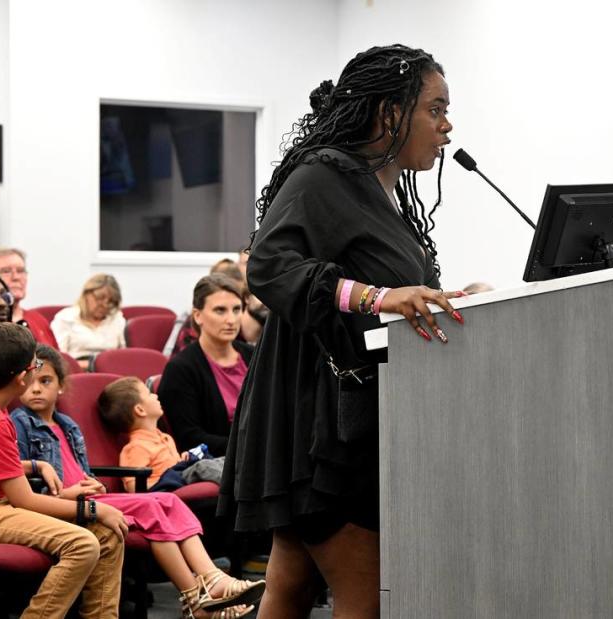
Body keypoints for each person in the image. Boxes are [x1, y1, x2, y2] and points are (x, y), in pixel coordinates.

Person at [219, 45, 465, 618]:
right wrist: (379, 297)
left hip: (345, 413)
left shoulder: (380, 187)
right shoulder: (323, 174)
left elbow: (384, 291)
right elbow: (269, 267)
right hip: (320, 419)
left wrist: (447, 301)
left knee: (292, 589)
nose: (447, 125)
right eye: (436, 108)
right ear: (389, 113)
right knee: (364, 598)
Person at [12, 346, 263, 619]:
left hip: (88, 498)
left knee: (169, 499)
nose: (35, 389)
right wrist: (73, 492)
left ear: (61, 386)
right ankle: (196, 596)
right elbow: (25, 482)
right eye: (29, 381)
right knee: (155, 508)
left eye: (45, 381)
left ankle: (210, 578)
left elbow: (82, 472)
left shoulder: (68, 425)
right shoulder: (20, 422)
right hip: (61, 505)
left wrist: (91, 483)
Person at [0, 322, 127, 617]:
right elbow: (25, 500)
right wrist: (95, 509)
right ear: (22, 378)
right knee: (82, 543)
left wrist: (34, 464)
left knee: (106, 535)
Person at [159, 274, 254, 456]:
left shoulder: (253, 356)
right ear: (198, 315)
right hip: (221, 462)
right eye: (220, 310)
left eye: (236, 309)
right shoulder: (181, 368)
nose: (231, 319)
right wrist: (250, 446)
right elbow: (189, 437)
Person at [99, 376, 226, 493]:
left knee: (224, 460)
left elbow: (171, 467)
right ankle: (234, 488)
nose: (155, 395)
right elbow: (133, 486)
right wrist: (162, 482)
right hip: (163, 489)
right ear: (140, 410)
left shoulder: (165, 438)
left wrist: (182, 462)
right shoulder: (136, 447)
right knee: (202, 467)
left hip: (177, 479)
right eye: (149, 394)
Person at [0, 247, 59, 347]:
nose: (16, 277)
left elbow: (58, 359)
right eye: (6, 271)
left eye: (21, 271)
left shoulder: (38, 319)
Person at [51, 273, 126, 369]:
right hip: (75, 370)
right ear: (86, 294)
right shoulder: (65, 318)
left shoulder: (117, 319)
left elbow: (124, 355)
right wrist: (91, 365)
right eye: (99, 298)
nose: (104, 305)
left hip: (110, 369)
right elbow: (57, 358)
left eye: (111, 302)